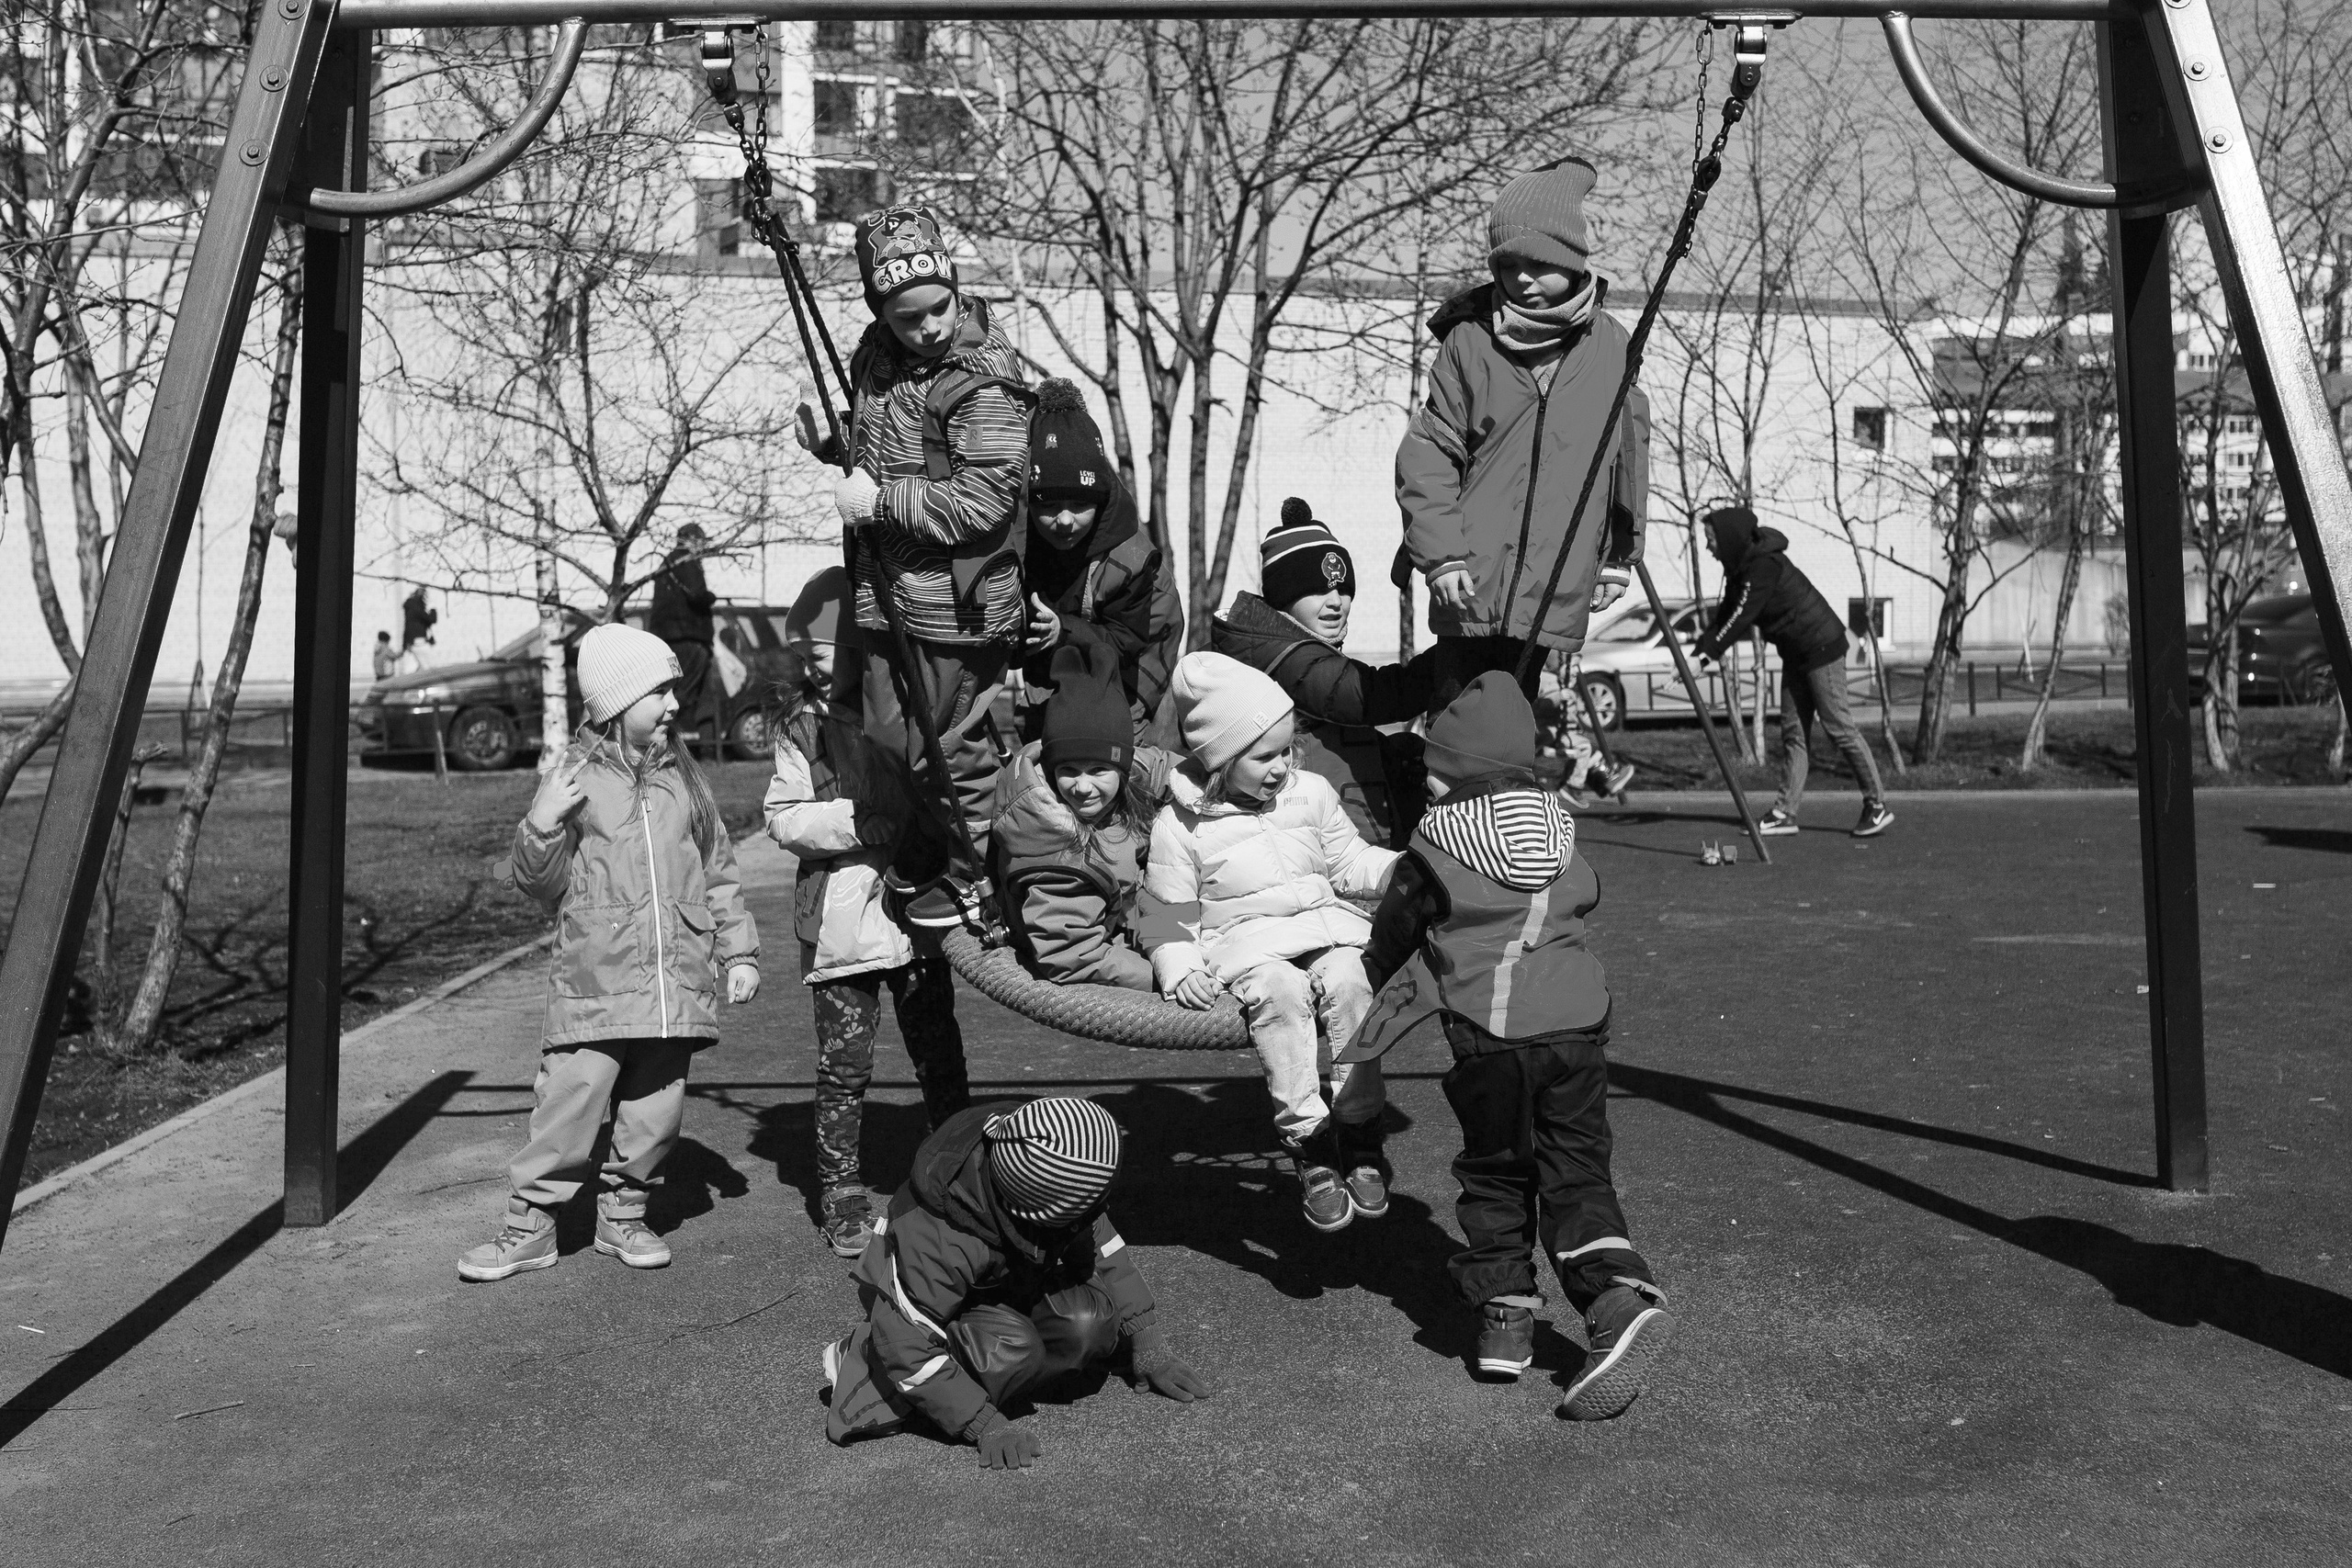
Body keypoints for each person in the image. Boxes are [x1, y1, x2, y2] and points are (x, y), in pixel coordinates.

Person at [1343, 672, 1671, 1420]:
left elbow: (1398, 926)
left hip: (1490, 1033)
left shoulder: (1435, 844)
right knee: (1577, 1170)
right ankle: (1616, 1295)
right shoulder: (1559, 830)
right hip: (1579, 1026)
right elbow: (1587, 893)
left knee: (1497, 1170)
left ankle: (1504, 1319)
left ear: (1443, 772)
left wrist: (1373, 971)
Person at [459, 623, 760, 1282]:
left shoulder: (685, 780)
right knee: (569, 1101)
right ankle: (529, 1226)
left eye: (673, 687)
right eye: (659, 690)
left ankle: (624, 1213)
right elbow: (541, 884)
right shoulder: (577, 779)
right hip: (595, 982)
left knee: (656, 1107)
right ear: (618, 702)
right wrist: (540, 823)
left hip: (671, 982)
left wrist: (739, 951)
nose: (674, 702)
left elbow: (719, 871)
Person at [795, 204, 1034, 930]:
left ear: (957, 291)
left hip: (955, 604)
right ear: (881, 310)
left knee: (947, 750)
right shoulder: (879, 358)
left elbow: (983, 500)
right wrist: (836, 443)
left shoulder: (980, 380)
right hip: (887, 588)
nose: (929, 327)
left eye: (939, 308)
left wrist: (880, 501)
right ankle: (933, 846)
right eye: (907, 317)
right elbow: (883, 450)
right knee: (889, 736)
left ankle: (977, 874)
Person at [1138, 651, 1397, 1233]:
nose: (1282, 766)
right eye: (1264, 756)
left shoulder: (1310, 794)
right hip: (1246, 943)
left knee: (1353, 979)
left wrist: (1400, 872)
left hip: (1326, 925)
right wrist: (1179, 966)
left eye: (1287, 749)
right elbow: (1165, 910)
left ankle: (1359, 1131)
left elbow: (1348, 861)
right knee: (1280, 993)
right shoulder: (1182, 824)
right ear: (1221, 758)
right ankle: (1310, 1143)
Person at [820, 1096, 1210, 1465]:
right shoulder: (937, 1233)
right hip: (918, 1323)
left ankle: (1006, 1370)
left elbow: (1106, 1254)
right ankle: (865, 1354)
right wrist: (984, 1424)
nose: (1098, 1211)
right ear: (1034, 1212)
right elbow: (907, 1349)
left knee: (1088, 1325)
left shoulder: (1057, 1163)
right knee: (1012, 1351)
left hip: (1001, 1283)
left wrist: (1148, 1345)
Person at [763, 567, 971, 1260]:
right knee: (844, 1068)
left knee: (939, 1056)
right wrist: (860, 819)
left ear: (856, 647)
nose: (808, 667)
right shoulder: (802, 729)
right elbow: (784, 818)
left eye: (817, 653)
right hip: (841, 927)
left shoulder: (904, 715)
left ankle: (960, 1175)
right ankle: (842, 1193)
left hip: (913, 915)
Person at [1396, 155, 1650, 706]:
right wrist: (1440, 556)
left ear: (1573, 259)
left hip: (1554, 580)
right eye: (1508, 266)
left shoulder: (1611, 349)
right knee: (1455, 728)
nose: (1522, 280)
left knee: (1513, 730)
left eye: (1537, 263)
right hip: (1468, 580)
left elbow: (1626, 462)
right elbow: (1430, 455)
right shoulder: (1470, 342)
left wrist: (1616, 556)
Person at [1212, 498, 1437, 850]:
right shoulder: (1283, 656)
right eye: (1317, 589)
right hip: (1315, 847)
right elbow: (1367, 697)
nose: (1336, 601)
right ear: (1284, 598)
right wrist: (1451, 660)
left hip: (1342, 839)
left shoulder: (1305, 651)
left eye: (1343, 589)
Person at [1690, 505, 1894, 838]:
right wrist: (1698, 653)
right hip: (1797, 651)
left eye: (1711, 539)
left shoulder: (1763, 566)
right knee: (1793, 732)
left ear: (1727, 538)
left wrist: (1705, 658)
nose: (1708, 547)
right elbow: (1725, 613)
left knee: (1838, 726)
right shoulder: (1740, 567)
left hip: (1821, 647)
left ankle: (1877, 805)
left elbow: (1741, 617)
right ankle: (1785, 812)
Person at [990, 644, 1170, 991]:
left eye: (1099, 770)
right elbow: (1073, 957)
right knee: (1186, 949)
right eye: (1069, 770)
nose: (1083, 787)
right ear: (1052, 767)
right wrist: (1166, 978)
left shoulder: (1130, 777)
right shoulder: (1049, 845)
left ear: (1123, 768)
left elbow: (1161, 767)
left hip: (1132, 907)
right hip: (1091, 940)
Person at [1019, 378, 1184, 742]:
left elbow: (1127, 641)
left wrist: (1064, 631)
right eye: (1047, 504)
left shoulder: (1132, 560)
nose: (1064, 520)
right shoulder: (1018, 543)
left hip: (1132, 687)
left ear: (1101, 498)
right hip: (1053, 684)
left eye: (1080, 504)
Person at [649, 521, 722, 755]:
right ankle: (669, 749)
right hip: (689, 639)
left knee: (700, 697)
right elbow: (696, 595)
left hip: (673, 639)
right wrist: (711, 596)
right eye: (700, 541)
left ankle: (709, 752)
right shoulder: (685, 561)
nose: (702, 547)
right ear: (691, 539)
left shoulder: (667, 563)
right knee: (684, 697)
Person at [400, 585, 437, 671]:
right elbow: (432, 619)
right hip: (420, 642)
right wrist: (432, 607)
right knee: (430, 667)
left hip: (411, 642)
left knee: (411, 669)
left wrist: (405, 645)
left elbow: (407, 627)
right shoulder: (417, 608)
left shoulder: (410, 608)